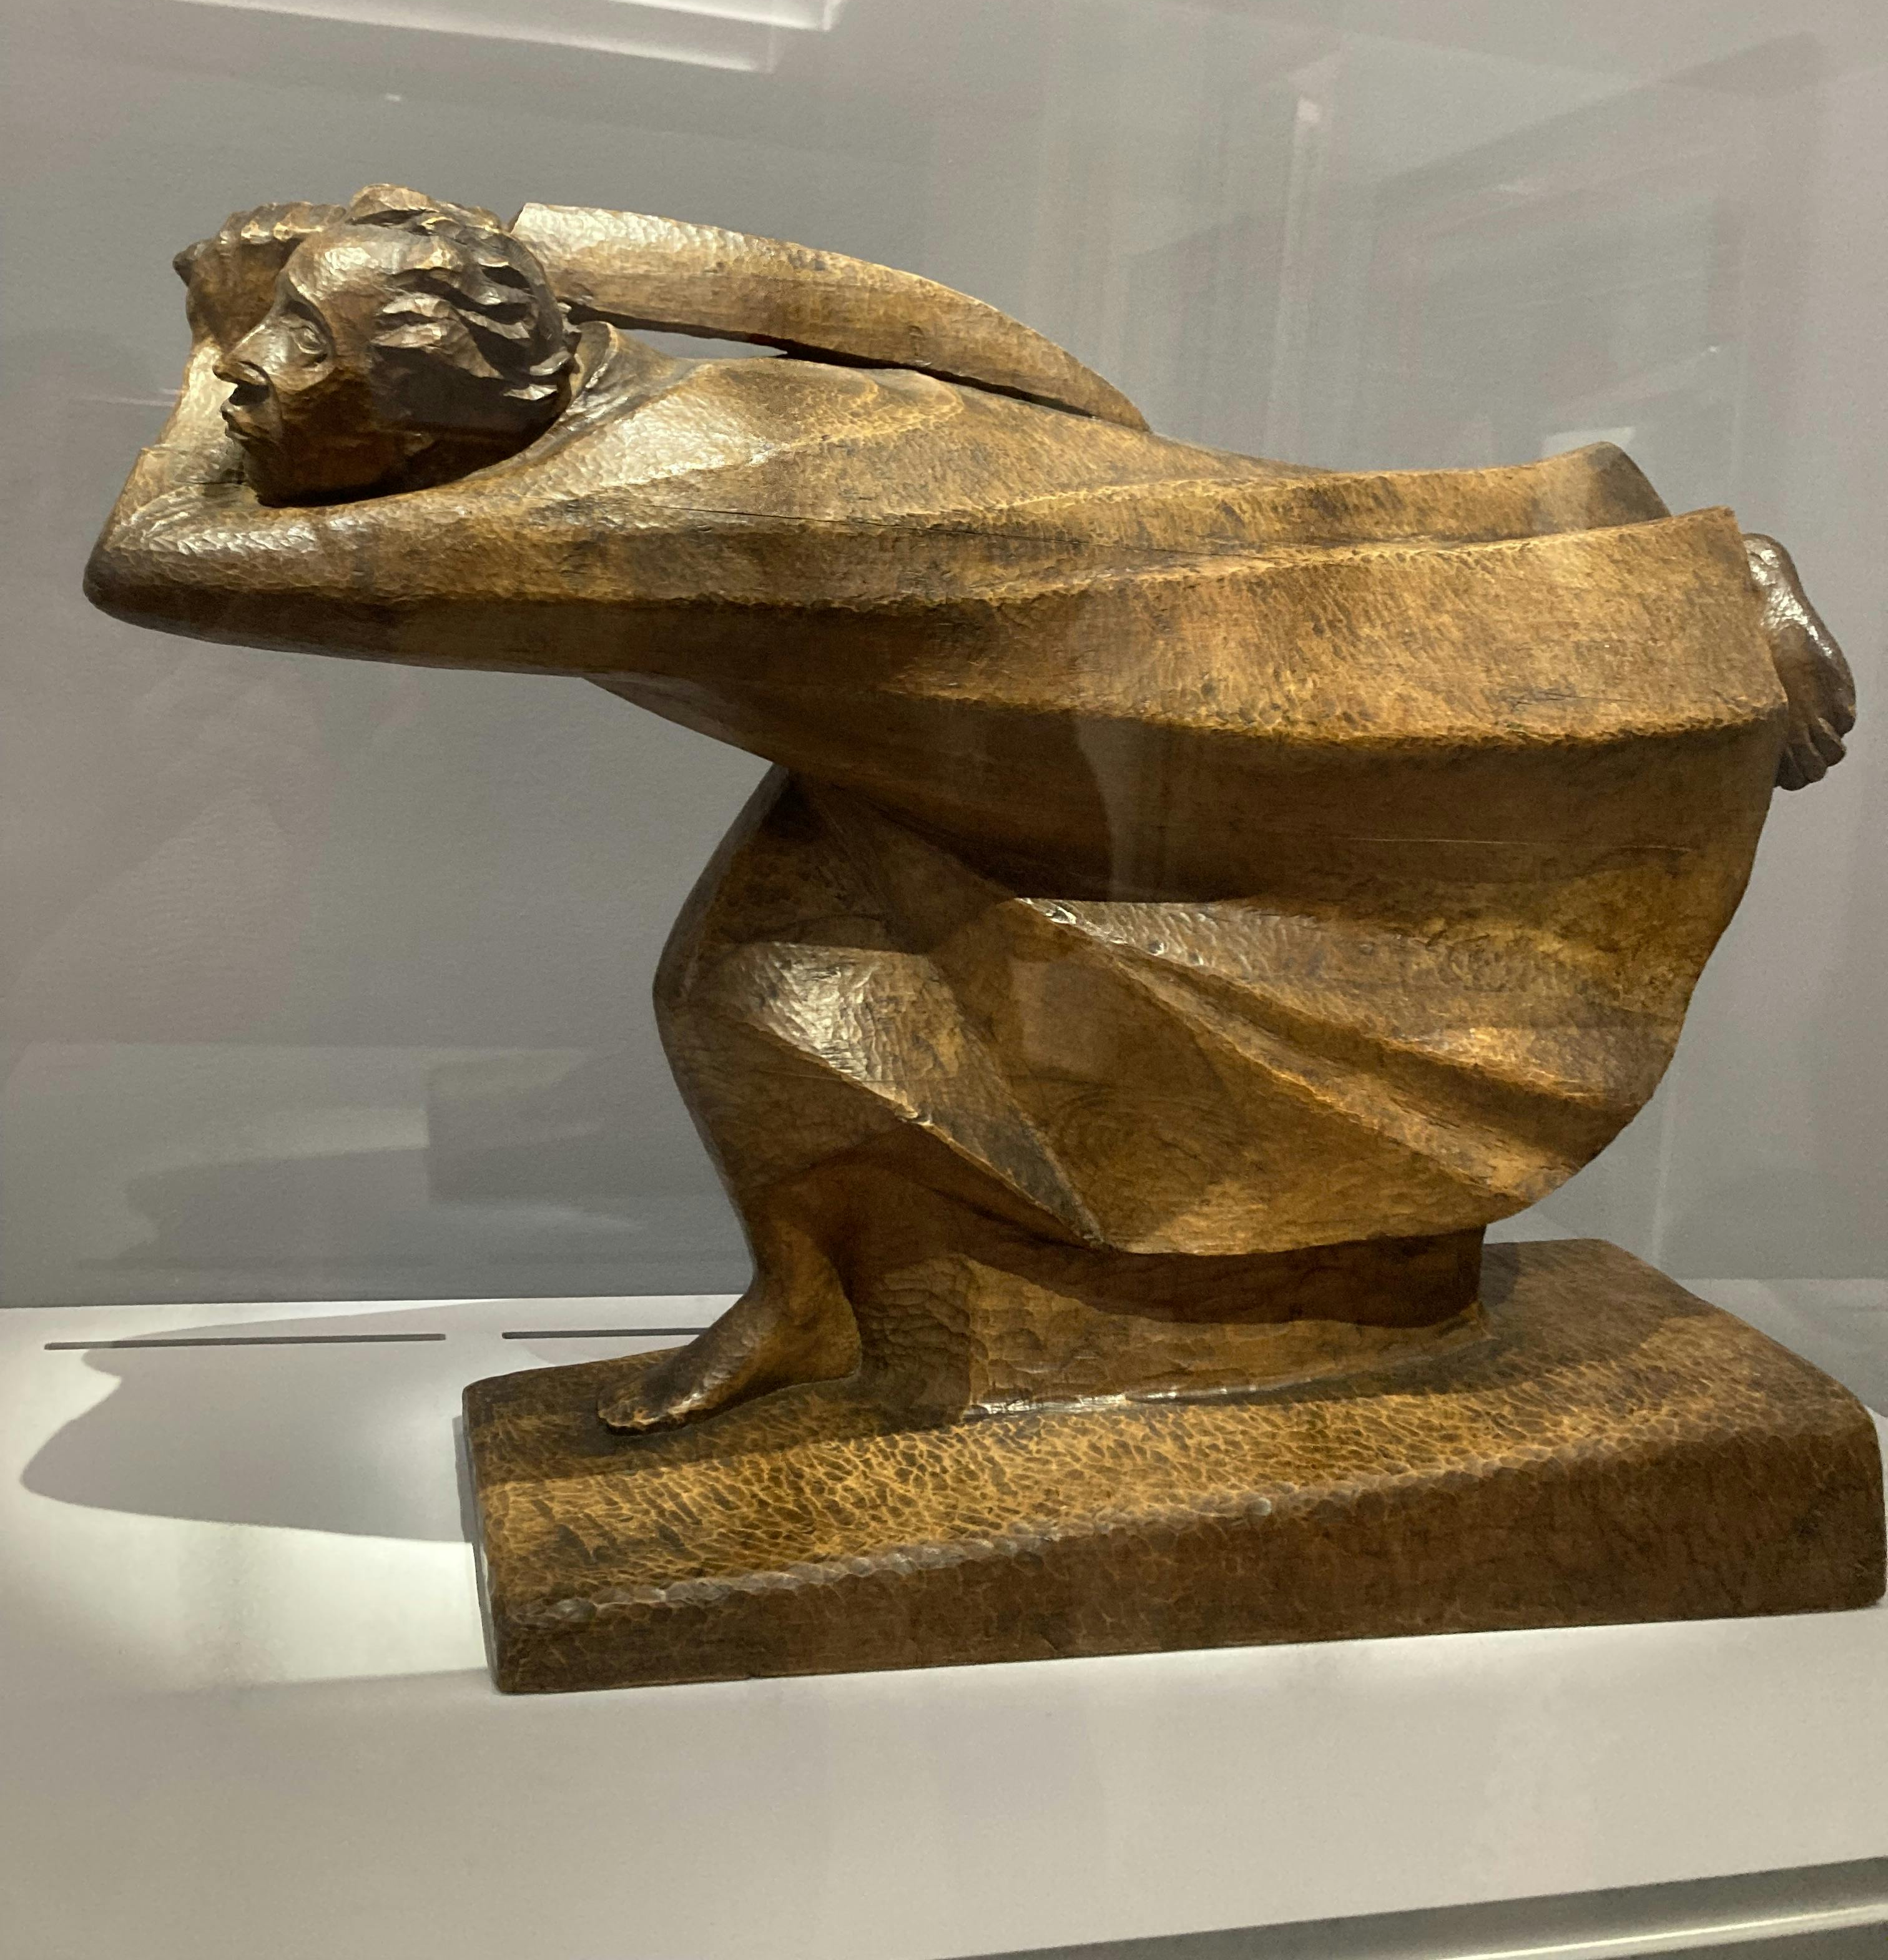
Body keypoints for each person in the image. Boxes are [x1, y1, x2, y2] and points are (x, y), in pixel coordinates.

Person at [88, 190, 1856, 1432]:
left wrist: (207, 350)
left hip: (1102, 704)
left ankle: (1673, 598)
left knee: (821, 973)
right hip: (987, 705)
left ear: (423, 400)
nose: (247, 381)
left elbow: (159, 558)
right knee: (766, 989)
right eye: (265, 345)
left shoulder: (619, 500)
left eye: (296, 351)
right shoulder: (623, 388)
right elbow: (1000, 370)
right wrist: (311, 286)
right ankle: (822, 1307)